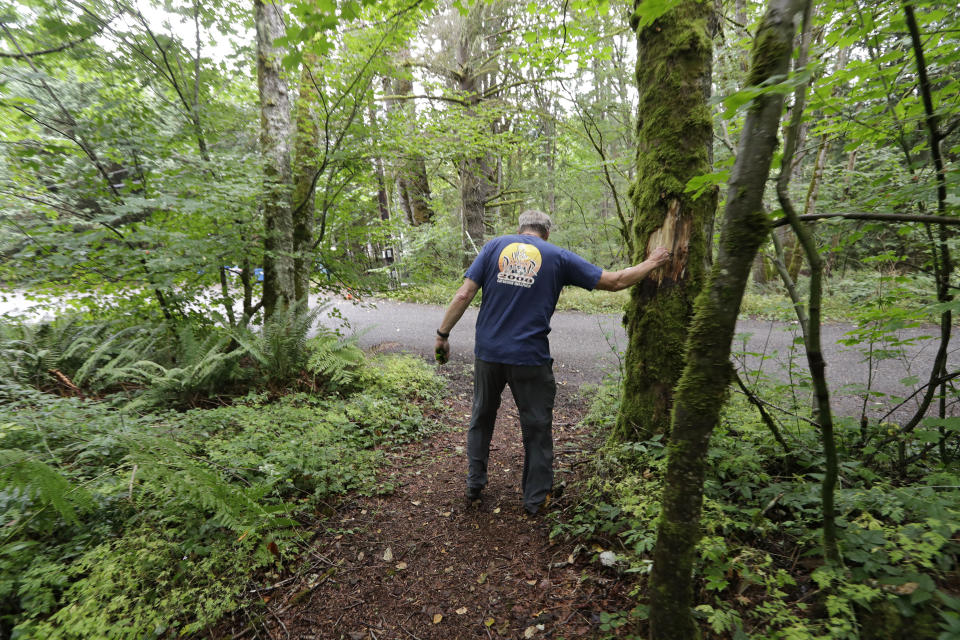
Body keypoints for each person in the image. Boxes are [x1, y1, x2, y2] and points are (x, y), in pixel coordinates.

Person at [434, 209, 671, 516]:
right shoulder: (557, 256)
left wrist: (443, 334)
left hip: (488, 354)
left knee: (481, 418)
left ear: (520, 229)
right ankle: (535, 501)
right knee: (536, 427)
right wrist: (653, 262)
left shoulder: (494, 246)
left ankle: (474, 486)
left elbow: (464, 294)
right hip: (529, 358)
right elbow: (615, 281)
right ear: (546, 234)